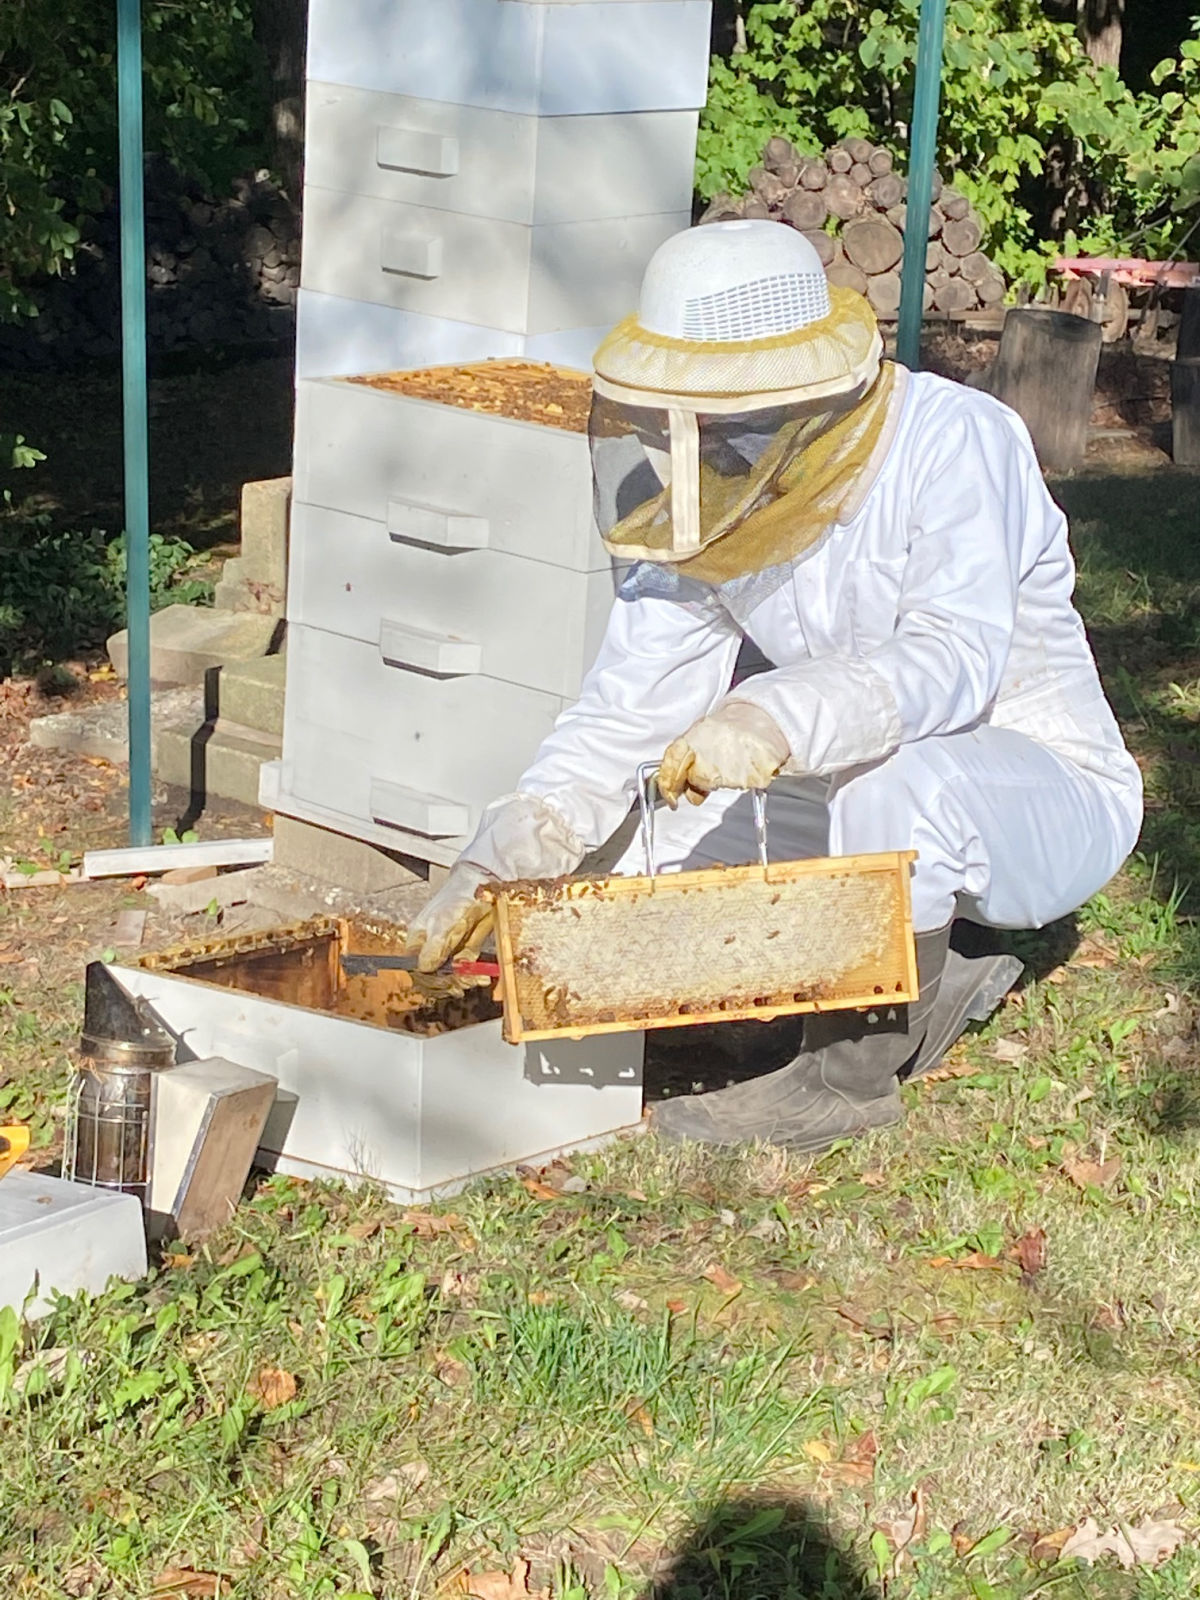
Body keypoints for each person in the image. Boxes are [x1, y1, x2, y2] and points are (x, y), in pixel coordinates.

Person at [405, 219, 1142, 1151]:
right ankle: (929, 978)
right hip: (847, 777)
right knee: (628, 855)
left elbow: (954, 661)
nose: (704, 441)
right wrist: (510, 849)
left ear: (797, 396)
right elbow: (628, 703)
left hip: (1044, 788)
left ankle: (846, 1079)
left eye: (722, 415)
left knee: (898, 789)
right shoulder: (715, 484)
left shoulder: (957, 441)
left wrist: (772, 712)